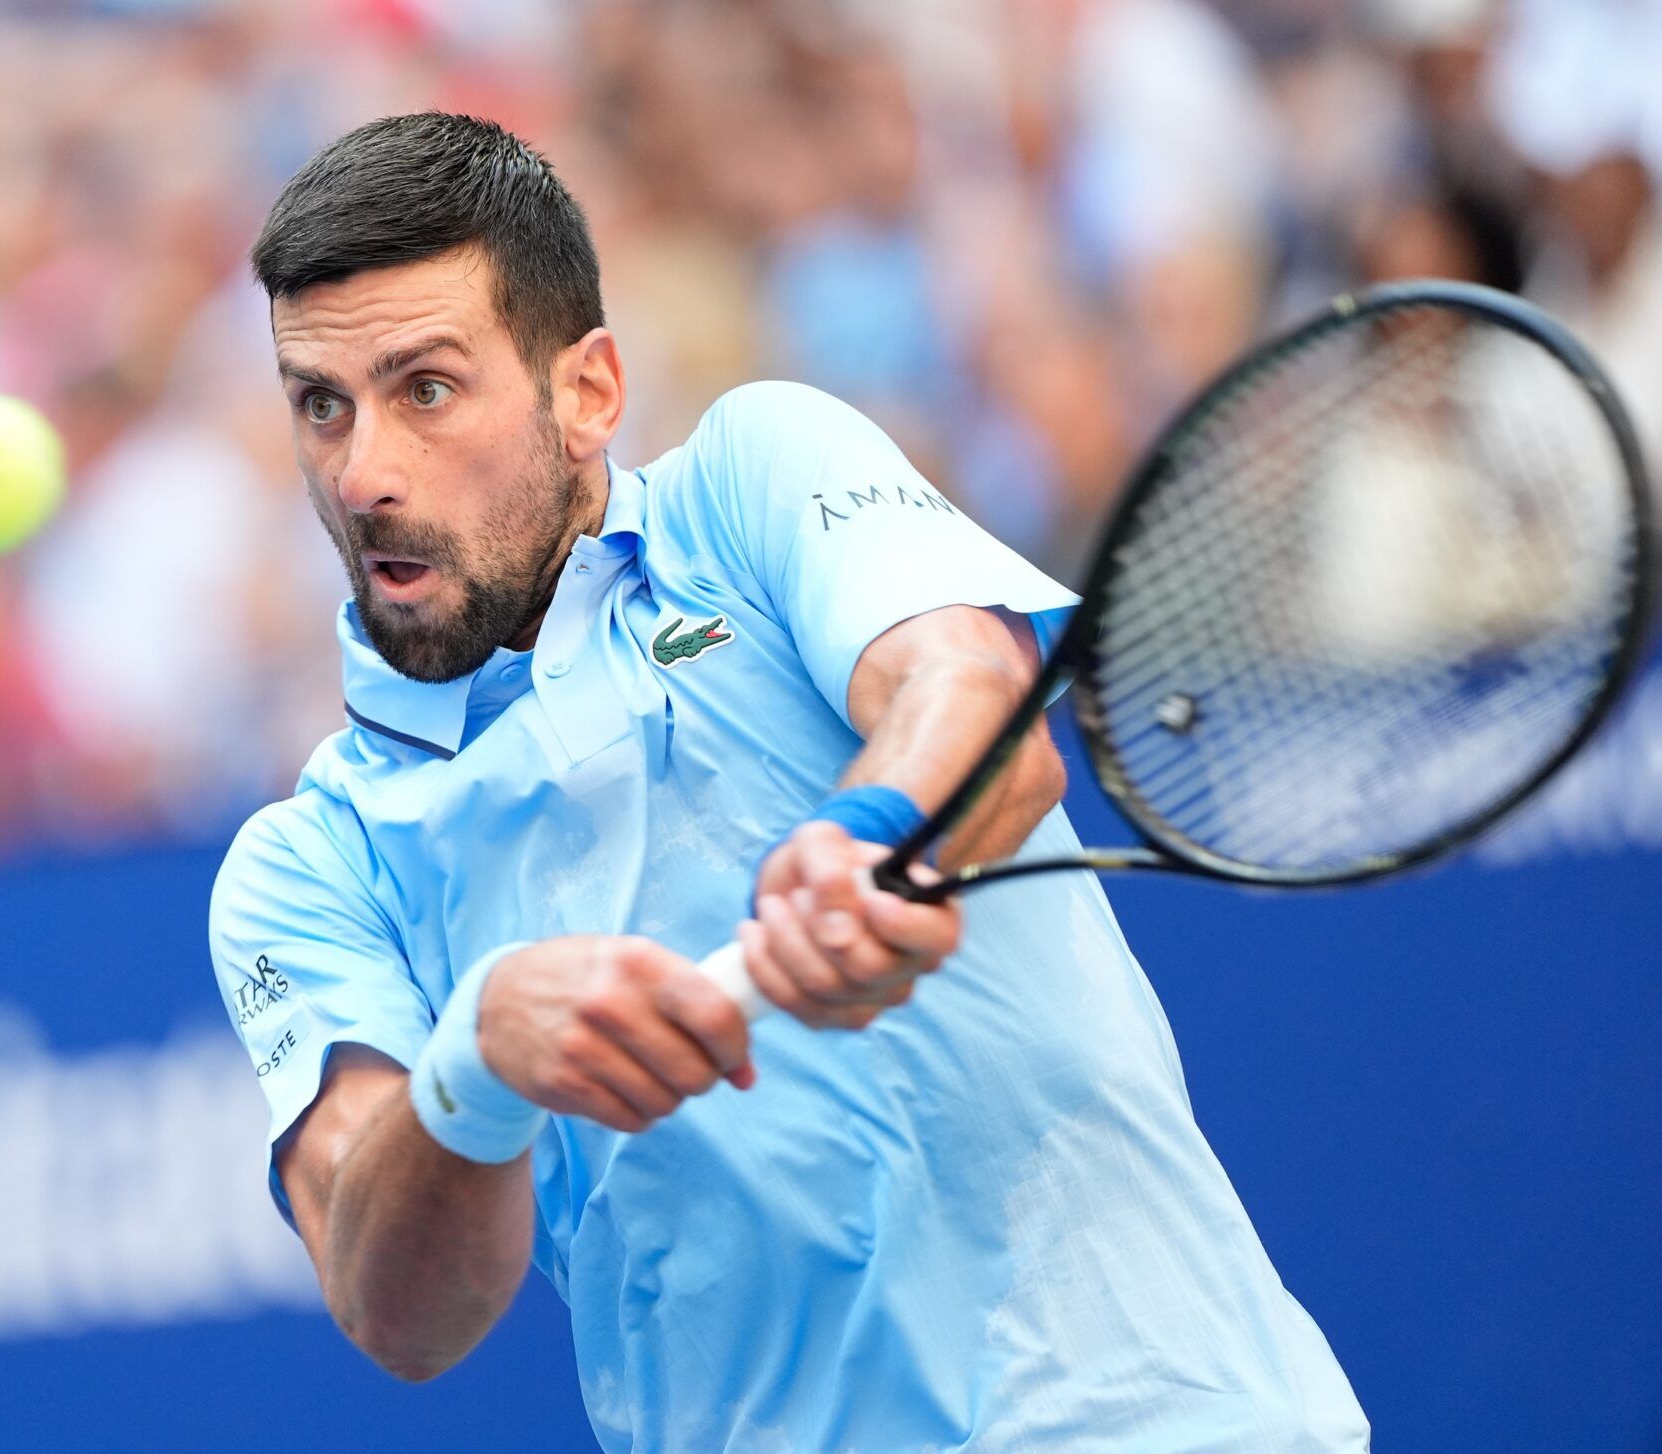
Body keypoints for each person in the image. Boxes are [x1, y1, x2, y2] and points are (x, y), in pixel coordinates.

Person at [209, 112, 1370, 1453]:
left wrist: (870, 831)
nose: (363, 474)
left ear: (587, 391)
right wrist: (474, 1061)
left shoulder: (757, 478)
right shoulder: (311, 861)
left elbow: (972, 698)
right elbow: (395, 1309)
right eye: (321, 404)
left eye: (425, 388)